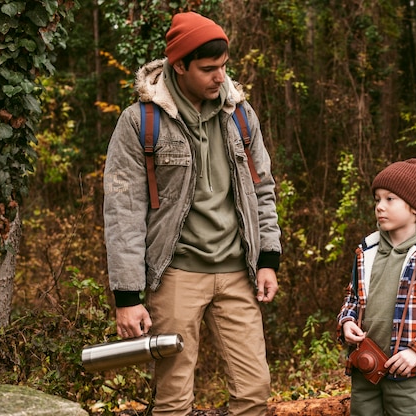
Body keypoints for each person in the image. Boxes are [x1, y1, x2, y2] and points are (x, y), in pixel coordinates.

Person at [103, 12, 281, 416]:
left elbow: (263, 189)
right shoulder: (140, 123)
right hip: (177, 275)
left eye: (223, 67)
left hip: (239, 273)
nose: (221, 78)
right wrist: (128, 297)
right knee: (174, 399)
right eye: (208, 69)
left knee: (255, 390)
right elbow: (122, 213)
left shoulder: (240, 115)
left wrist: (268, 259)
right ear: (179, 65)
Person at [337, 159, 416, 416]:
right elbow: (352, 298)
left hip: (407, 370)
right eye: (377, 199)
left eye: (390, 199)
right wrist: (346, 323)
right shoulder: (366, 251)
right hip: (365, 365)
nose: (380, 207)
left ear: (414, 207)